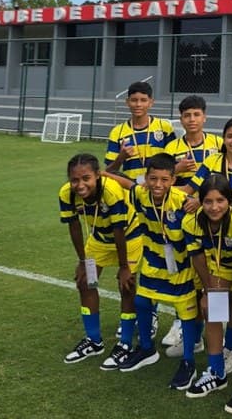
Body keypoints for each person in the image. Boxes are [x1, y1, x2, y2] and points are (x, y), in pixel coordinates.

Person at [104, 154, 201, 386]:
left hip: (181, 266)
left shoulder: (183, 201)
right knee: (141, 302)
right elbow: (126, 183)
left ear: (173, 179)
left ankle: (189, 362)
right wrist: (103, 173)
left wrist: (199, 201)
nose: (158, 185)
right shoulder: (141, 195)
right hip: (152, 262)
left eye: (165, 180)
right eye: (153, 179)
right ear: (146, 178)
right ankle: (147, 349)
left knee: (186, 312)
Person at [104, 81, 176, 342]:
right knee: (134, 259)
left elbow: (172, 164)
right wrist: (122, 158)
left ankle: (154, 314)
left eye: (143, 100)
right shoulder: (117, 132)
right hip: (131, 201)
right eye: (133, 100)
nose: (138, 104)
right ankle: (134, 314)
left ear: (151, 103)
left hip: (159, 201)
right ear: (128, 103)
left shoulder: (164, 128)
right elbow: (108, 172)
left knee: (159, 256)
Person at [59, 153, 143, 370]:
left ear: (97, 175)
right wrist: (82, 260)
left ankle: (125, 344)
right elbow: (74, 227)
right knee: (86, 282)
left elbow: (119, 230)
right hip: (98, 240)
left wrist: (124, 267)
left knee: (126, 285)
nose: (80, 185)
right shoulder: (66, 194)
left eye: (86, 178)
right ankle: (94, 341)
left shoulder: (111, 190)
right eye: (74, 180)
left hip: (129, 237)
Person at [182, 174, 232, 407]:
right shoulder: (191, 222)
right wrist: (208, 290)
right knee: (212, 311)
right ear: (200, 202)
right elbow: (197, 258)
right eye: (208, 202)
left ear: (230, 201)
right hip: (218, 268)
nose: (214, 207)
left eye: (220, 201)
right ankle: (217, 372)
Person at [161, 95, 223, 351]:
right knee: (184, 271)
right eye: (187, 115)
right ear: (180, 118)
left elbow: (222, 179)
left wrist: (199, 198)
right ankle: (182, 322)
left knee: (215, 270)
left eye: (196, 115)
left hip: (212, 217)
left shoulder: (218, 144)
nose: (192, 120)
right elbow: (161, 181)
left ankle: (220, 336)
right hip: (180, 220)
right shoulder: (172, 148)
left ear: (205, 116)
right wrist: (176, 168)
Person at [182, 117, 232, 216]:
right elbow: (189, 189)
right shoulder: (212, 161)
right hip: (212, 216)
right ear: (224, 139)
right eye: (230, 136)